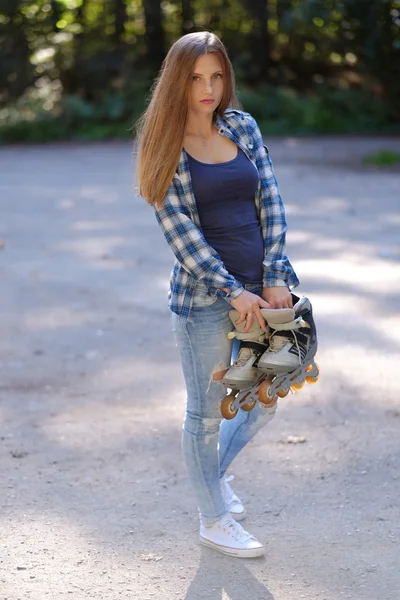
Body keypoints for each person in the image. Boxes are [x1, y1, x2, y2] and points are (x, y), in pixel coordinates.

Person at [136, 31, 299, 558]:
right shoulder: (164, 145)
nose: (208, 88)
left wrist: (273, 276)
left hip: (265, 292)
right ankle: (213, 517)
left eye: (216, 76)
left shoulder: (242, 127)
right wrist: (231, 290)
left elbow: (270, 200)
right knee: (206, 414)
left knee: (263, 402)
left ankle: (213, 479)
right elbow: (180, 233)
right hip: (205, 303)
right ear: (175, 83)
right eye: (195, 78)